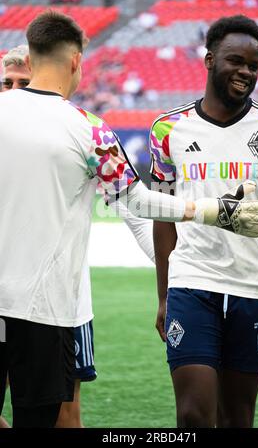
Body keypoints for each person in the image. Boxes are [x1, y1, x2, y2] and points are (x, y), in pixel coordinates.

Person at [0, 11, 258, 428]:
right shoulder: (89, 130)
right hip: (42, 311)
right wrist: (211, 211)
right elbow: (138, 202)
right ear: (76, 62)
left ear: (31, 57)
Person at [150, 14, 258, 428]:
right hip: (191, 284)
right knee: (194, 415)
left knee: (237, 417)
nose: (246, 72)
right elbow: (163, 215)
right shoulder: (168, 129)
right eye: (236, 61)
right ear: (209, 59)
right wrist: (164, 294)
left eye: (254, 65)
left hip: (253, 287)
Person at [0, 45, 155, 428]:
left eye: (23, 81)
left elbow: (133, 210)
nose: (15, 88)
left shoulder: (79, 133)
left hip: (61, 304)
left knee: (63, 416)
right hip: (7, 296)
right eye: (7, 82)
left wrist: (176, 270)